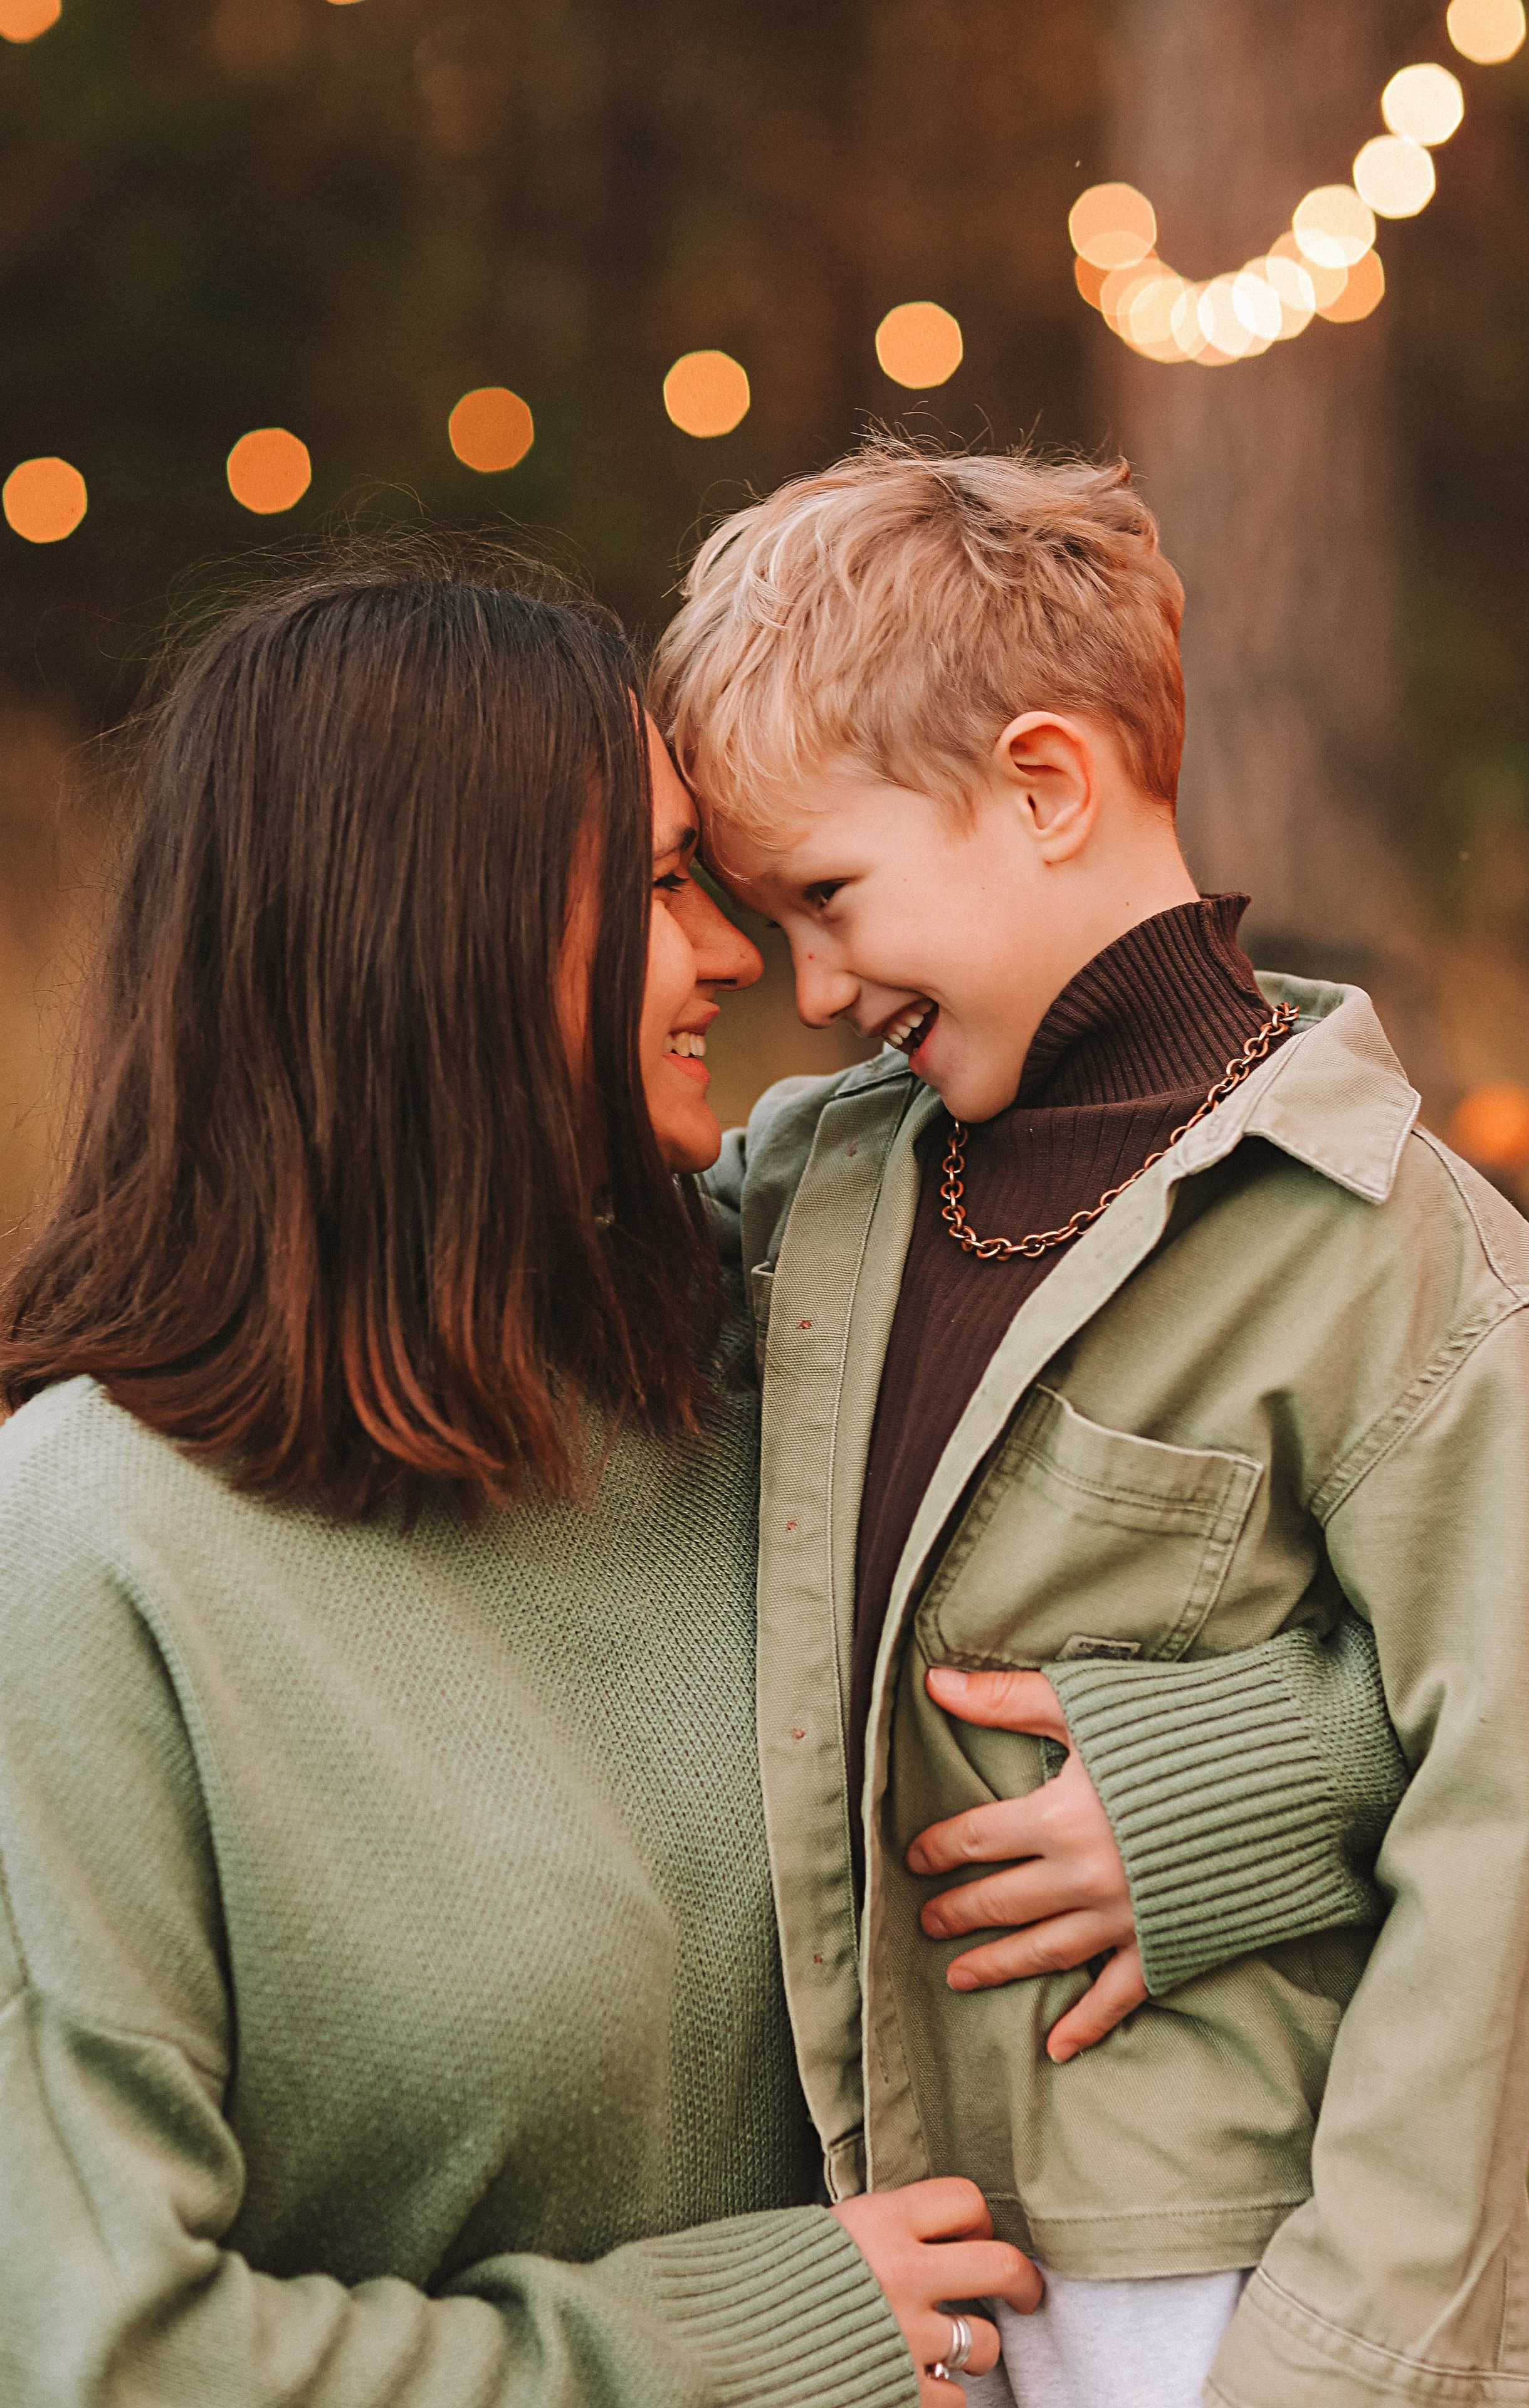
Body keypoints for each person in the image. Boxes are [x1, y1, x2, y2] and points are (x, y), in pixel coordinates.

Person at [0, 548, 1414, 2408]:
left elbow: (1461, 1609)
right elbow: (99, 2351)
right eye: (669, 884)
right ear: (438, 923)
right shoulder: (84, 1556)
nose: (747, 958)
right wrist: (730, 2342)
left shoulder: (771, 1345)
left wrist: (1217, 1796)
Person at [657, 441, 1529, 2408]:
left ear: (1046, 784)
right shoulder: (813, 1195)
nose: (812, 986)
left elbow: (1497, 1832)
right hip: (899, 2284)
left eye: (829, 896)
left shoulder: (1415, 1275)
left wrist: (1338, 2357)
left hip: (1226, 2290)